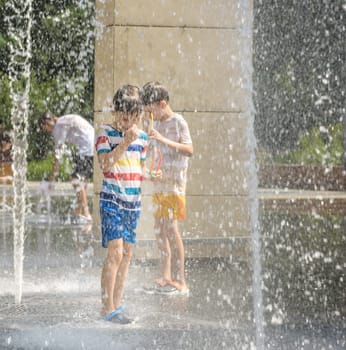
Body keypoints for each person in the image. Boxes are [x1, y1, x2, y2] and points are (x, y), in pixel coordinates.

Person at [95, 84, 150, 324]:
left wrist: (149, 174)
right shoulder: (104, 133)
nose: (128, 120)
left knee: (127, 254)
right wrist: (125, 143)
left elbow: (140, 166)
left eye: (133, 116)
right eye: (123, 115)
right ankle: (106, 309)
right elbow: (106, 165)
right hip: (112, 201)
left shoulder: (143, 138)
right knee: (115, 253)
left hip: (132, 203)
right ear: (115, 111)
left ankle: (117, 305)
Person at [142, 81, 193, 294]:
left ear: (162, 103)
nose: (149, 113)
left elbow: (189, 150)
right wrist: (150, 172)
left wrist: (163, 139)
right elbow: (153, 153)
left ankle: (181, 280)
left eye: (150, 109)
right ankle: (165, 275)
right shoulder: (155, 125)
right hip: (161, 185)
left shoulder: (178, 121)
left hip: (175, 186)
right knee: (159, 229)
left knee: (171, 229)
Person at [39, 111, 94, 222]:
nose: (46, 131)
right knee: (82, 180)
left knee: (76, 179)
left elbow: (57, 157)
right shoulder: (63, 121)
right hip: (91, 143)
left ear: (48, 122)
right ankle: (79, 210)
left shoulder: (58, 127)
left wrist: (52, 180)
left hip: (87, 146)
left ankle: (86, 213)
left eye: (44, 127)